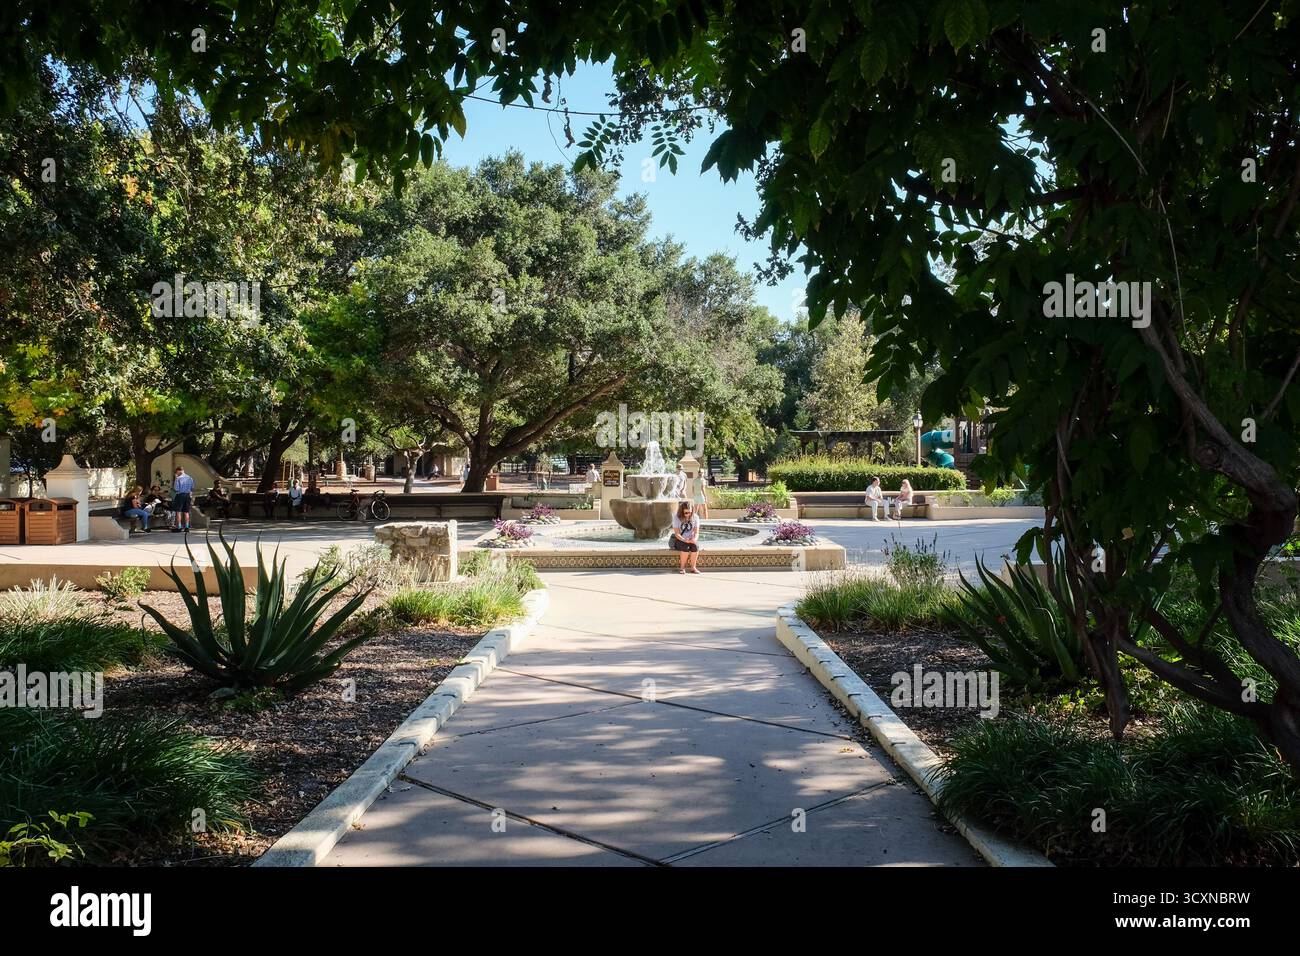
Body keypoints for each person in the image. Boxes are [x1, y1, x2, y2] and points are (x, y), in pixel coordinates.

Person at [670, 501, 702, 574]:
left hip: (691, 539)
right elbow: (677, 534)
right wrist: (684, 540)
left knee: (695, 546)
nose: (688, 514)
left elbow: (696, 532)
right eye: (686, 513)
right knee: (685, 547)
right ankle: (682, 568)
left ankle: (693, 567)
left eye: (690, 512)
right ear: (682, 512)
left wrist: (694, 539)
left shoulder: (695, 517)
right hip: (680, 539)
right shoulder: (677, 518)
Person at [171, 465, 195, 533]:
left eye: (177, 472)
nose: (176, 473)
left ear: (178, 471)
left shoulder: (178, 478)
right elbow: (192, 488)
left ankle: (179, 527)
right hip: (187, 495)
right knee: (186, 512)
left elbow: (176, 489)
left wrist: (176, 478)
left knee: (178, 511)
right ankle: (187, 527)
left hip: (180, 495)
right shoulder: (190, 478)